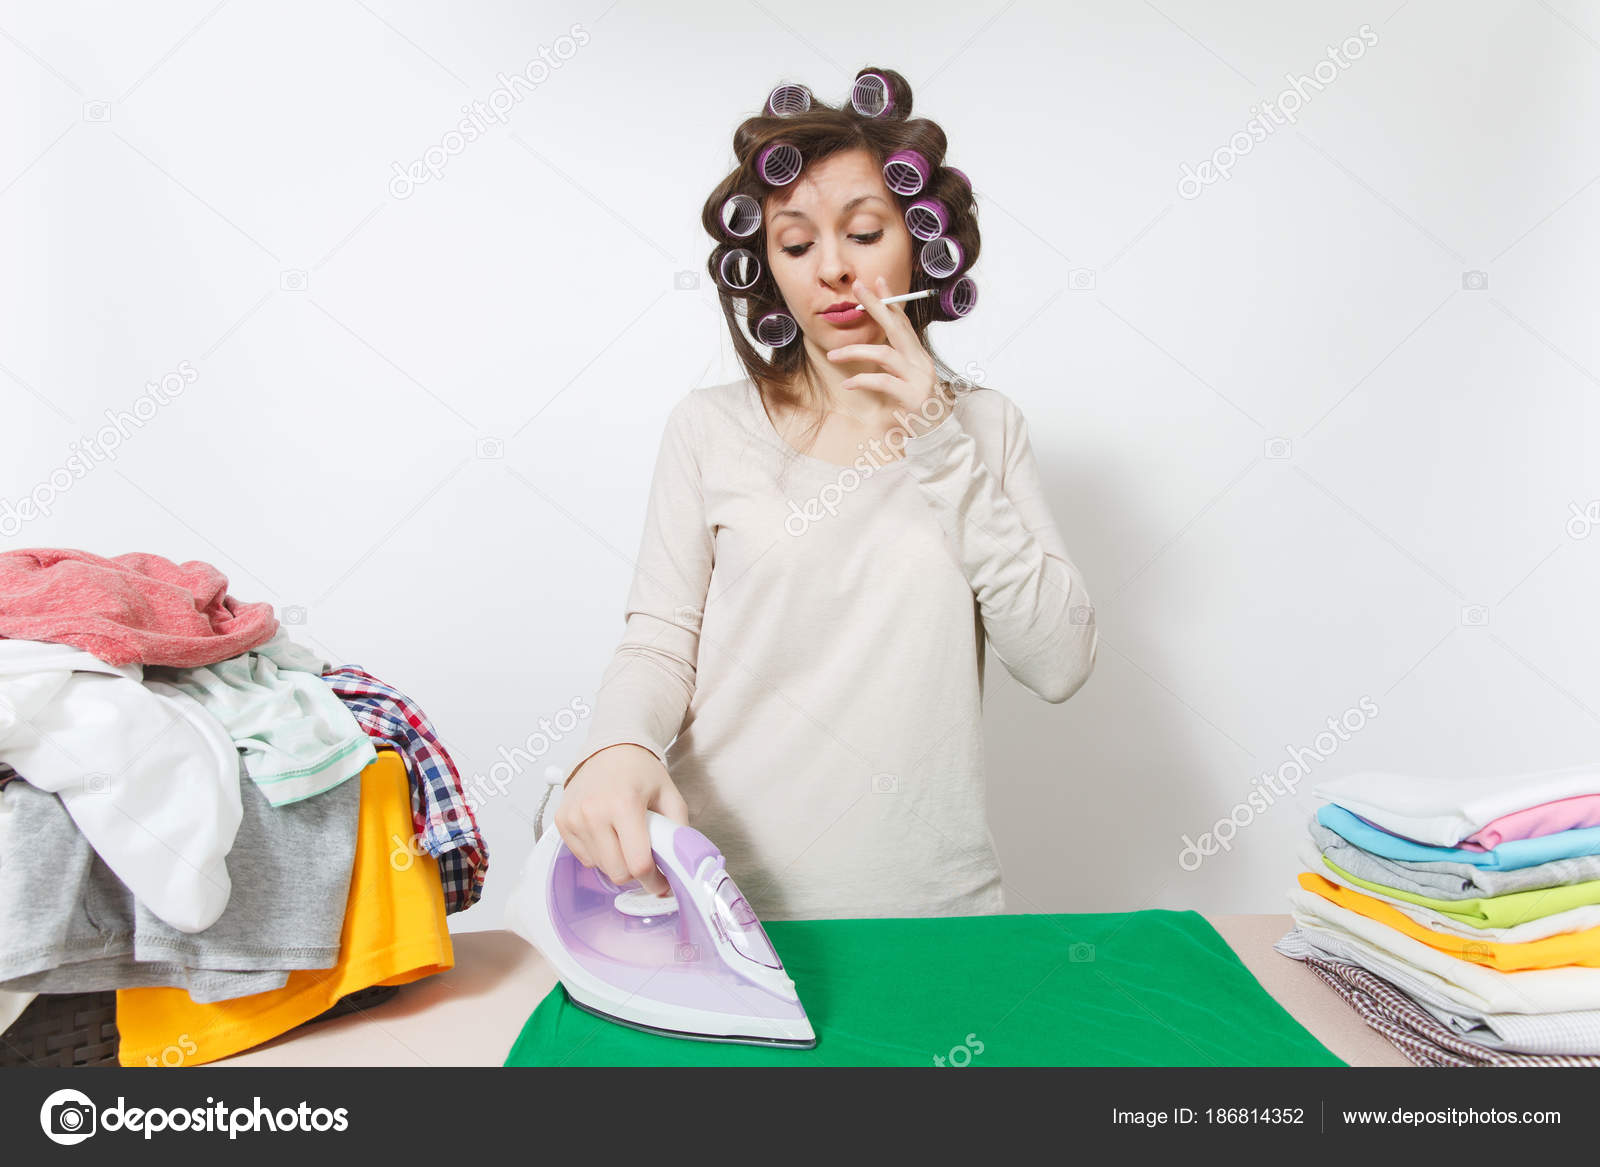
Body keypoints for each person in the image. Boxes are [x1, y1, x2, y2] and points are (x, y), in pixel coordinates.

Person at [553, 67, 1097, 920]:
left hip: (936, 910)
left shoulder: (985, 430)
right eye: (797, 245)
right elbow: (660, 642)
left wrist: (935, 438)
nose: (833, 269)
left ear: (921, 241)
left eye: (866, 232)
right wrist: (615, 747)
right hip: (720, 900)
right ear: (770, 270)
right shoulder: (707, 429)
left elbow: (1059, 663)